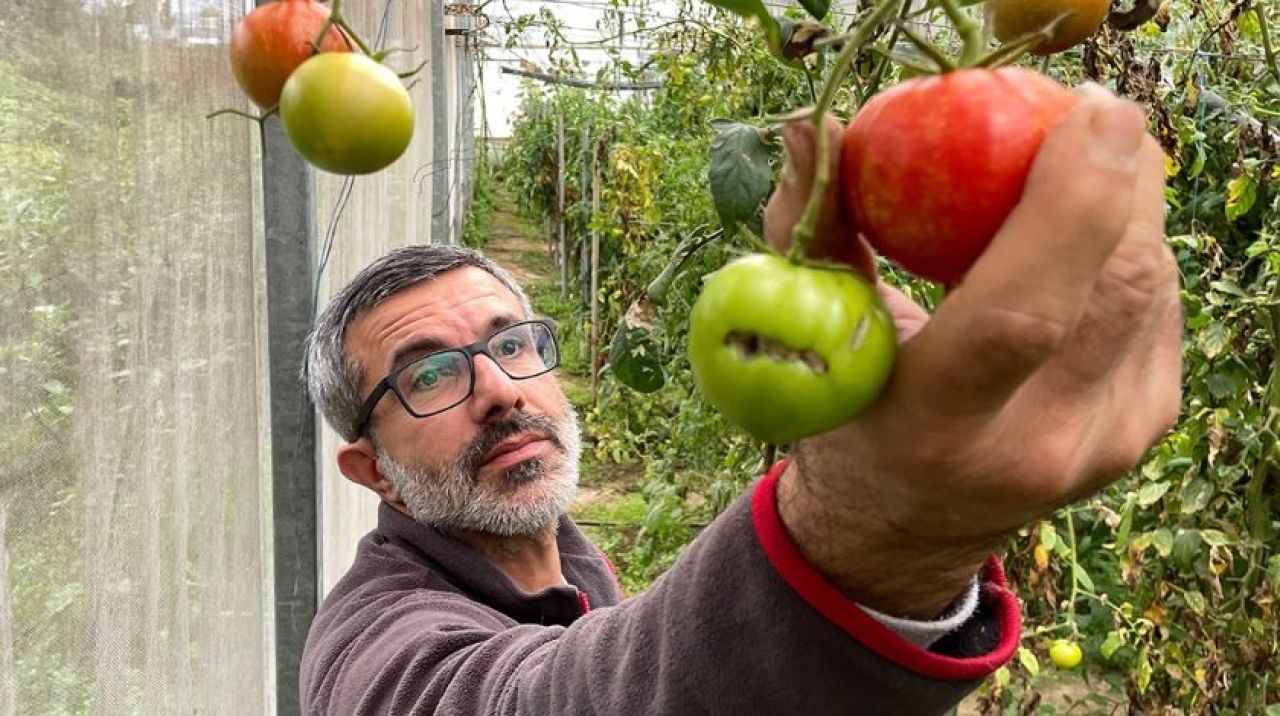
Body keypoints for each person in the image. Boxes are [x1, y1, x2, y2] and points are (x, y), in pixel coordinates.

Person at [298, 83, 1181, 714]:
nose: (496, 389)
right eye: (428, 375)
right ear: (370, 469)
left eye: (513, 344)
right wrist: (875, 536)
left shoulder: (560, 553)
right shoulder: (370, 648)